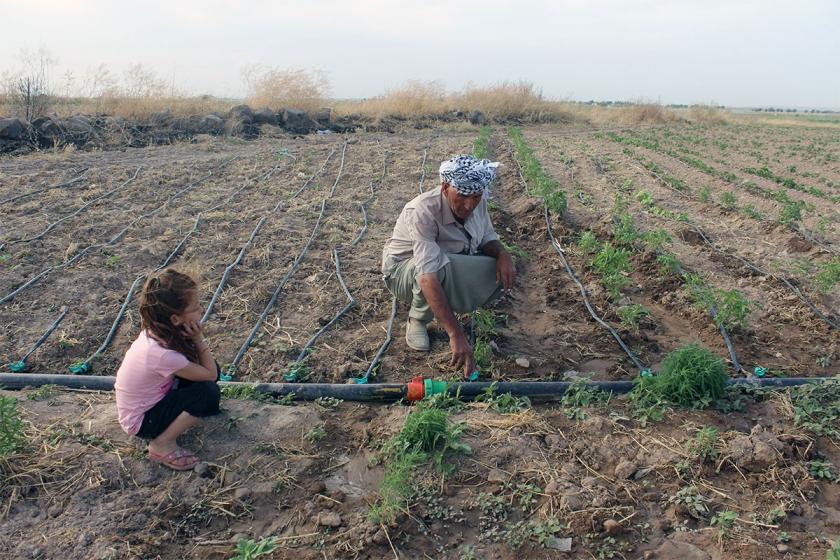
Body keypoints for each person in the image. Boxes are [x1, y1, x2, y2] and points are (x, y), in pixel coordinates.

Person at [382, 154, 515, 379]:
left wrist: (503, 254)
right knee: (437, 266)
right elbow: (427, 276)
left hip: (448, 263)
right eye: (462, 196)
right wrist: (455, 333)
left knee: (501, 266)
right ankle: (418, 319)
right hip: (403, 271)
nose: (469, 205)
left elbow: (487, 240)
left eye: (476, 196)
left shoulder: (478, 202)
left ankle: (449, 304)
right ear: (445, 187)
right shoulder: (423, 210)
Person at [115, 268, 221, 471]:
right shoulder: (162, 354)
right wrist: (198, 339)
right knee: (208, 393)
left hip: (147, 405)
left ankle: (175, 421)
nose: (201, 311)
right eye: (196, 308)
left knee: (205, 371)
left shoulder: (156, 332)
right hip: (142, 421)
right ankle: (161, 444)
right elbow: (211, 375)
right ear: (175, 319)